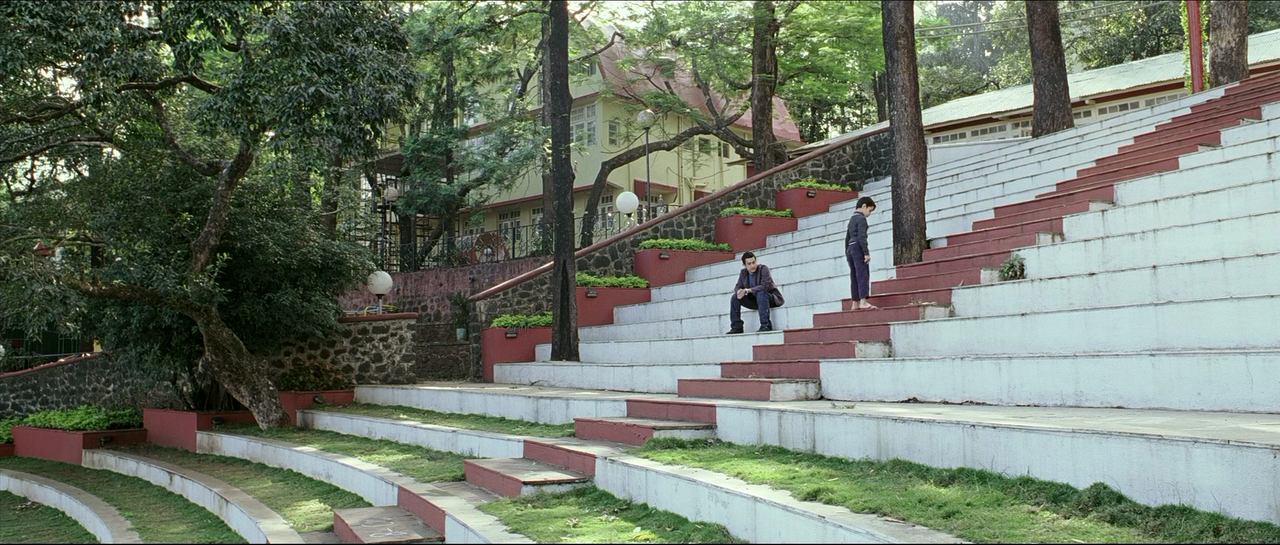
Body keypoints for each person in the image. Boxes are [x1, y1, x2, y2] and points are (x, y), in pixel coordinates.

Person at [726, 251, 784, 334]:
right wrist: (739, 291)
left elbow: (765, 286)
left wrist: (748, 290)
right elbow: (738, 286)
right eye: (749, 264)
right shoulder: (743, 273)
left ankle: (766, 325)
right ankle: (737, 327)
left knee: (761, 292)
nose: (752, 265)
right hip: (756, 301)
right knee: (735, 297)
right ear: (744, 265)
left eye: (753, 262)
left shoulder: (763, 269)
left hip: (770, 298)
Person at [845, 196, 877, 310]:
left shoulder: (852, 219)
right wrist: (866, 253)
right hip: (858, 247)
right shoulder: (861, 219)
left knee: (854, 275)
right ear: (864, 206)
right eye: (869, 210)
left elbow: (847, 237)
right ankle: (863, 301)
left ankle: (855, 302)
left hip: (850, 248)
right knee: (862, 273)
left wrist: (847, 252)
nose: (869, 213)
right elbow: (862, 237)